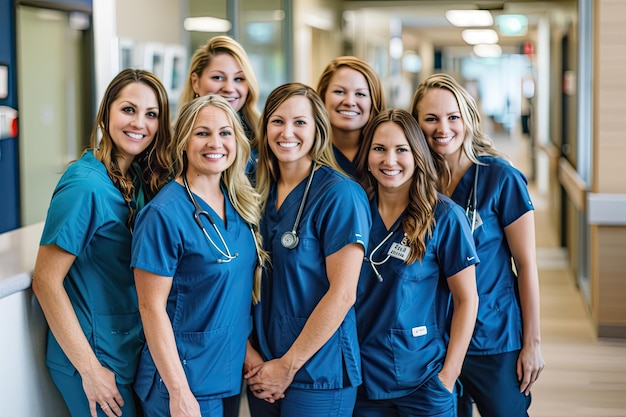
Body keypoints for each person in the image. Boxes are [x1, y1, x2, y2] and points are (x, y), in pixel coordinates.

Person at [31, 68, 172, 417]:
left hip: (124, 347)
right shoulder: (85, 185)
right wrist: (91, 370)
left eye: (151, 114)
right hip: (93, 358)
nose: (139, 122)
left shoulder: (136, 175)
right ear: (107, 111)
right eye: (128, 109)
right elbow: (46, 281)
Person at [411, 73, 545, 417]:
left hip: (492, 335)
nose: (443, 128)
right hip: (434, 339)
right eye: (431, 118)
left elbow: (526, 265)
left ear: (468, 118)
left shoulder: (501, 177)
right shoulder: (416, 183)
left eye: (453, 117)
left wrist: (532, 343)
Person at [130, 94, 267, 417]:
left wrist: (246, 352)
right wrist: (178, 391)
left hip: (227, 374)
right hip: (182, 381)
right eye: (202, 133)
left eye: (225, 132)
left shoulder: (238, 202)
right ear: (183, 142)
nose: (215, 143)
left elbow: (229, 297)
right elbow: (151, 308)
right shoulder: (163, 214)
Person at [244, 82, 371, 417]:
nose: (288, 132)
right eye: (277, 121)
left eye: (300, 122)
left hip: (319, 371)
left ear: (318, 129)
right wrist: (251, 356)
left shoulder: (340, 194)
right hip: (262, 362)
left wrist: (288, 365)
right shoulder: (252, 189)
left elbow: (343, 294)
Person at [352, 108, 479, 417]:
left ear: (417, 155)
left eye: (401, 150)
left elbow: (467, 299)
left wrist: (448, 376)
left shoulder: (445, 217)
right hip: (361, 381)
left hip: (424, 381)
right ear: (367, 154)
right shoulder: (353, 210)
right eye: (379, 149)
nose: (389, 160)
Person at [179, 35, 261, 177]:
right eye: (217, 77)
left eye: (239, 79)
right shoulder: (174, 143)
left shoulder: (262, 140)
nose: (229, 88)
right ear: (195, 82)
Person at [316, 56, 386, 177]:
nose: (349, 102)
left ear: (374, 102)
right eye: (339, 92)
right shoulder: (305, 152)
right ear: (323, 97)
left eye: (360, 94)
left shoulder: (387, 155)